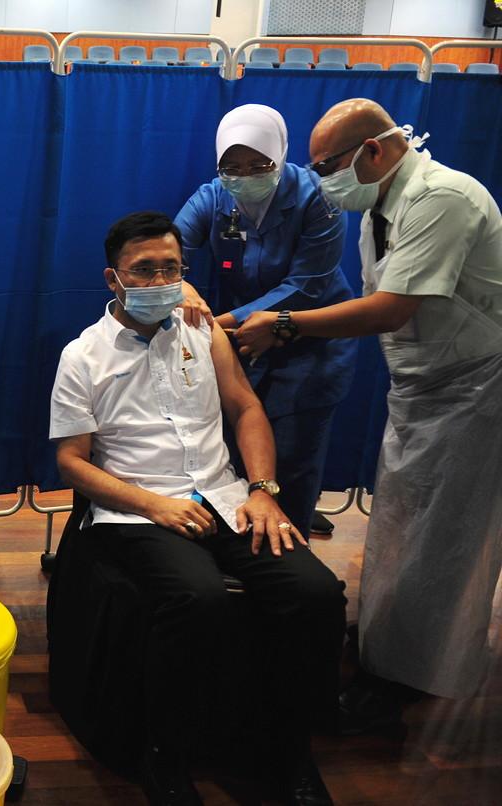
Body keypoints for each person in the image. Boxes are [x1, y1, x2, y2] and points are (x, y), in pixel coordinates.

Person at [51, 212, 344, 806]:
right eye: (144, 270)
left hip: (226, 495)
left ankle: (289, 751)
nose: (161, 279)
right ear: (115, 278)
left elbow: (245, 411)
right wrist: (154, 505)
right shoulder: (82, 356)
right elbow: (72, 463)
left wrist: (264, 490)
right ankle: (165, 754)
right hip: (137, 509)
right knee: (198, 598)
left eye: (172, 268)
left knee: (316, 593)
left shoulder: (204, 333)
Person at [236, 98, 502, 729]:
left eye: (328, 166)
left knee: (444, 540)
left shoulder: (445, 199)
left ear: (374, 152)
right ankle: (387, 647)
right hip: (423, 386)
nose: (323, 180)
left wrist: (282, 324)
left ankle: (409, 677)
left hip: (474, 387)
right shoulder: (380, 207)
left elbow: (389, 308)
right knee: (401, 528)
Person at [174, 104, 356, 540]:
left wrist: (223, 321)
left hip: (308, 337)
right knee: (238, 447)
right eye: (231, 166)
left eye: (260, 164)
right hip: (243, 340)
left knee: (293, 454)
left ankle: (287, 557)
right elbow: (169, 245)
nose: (245, 174)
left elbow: (308, 284)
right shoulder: (214, 197)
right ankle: (238, 547)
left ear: (281, 155)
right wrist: (181, 286)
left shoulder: (320, 197)